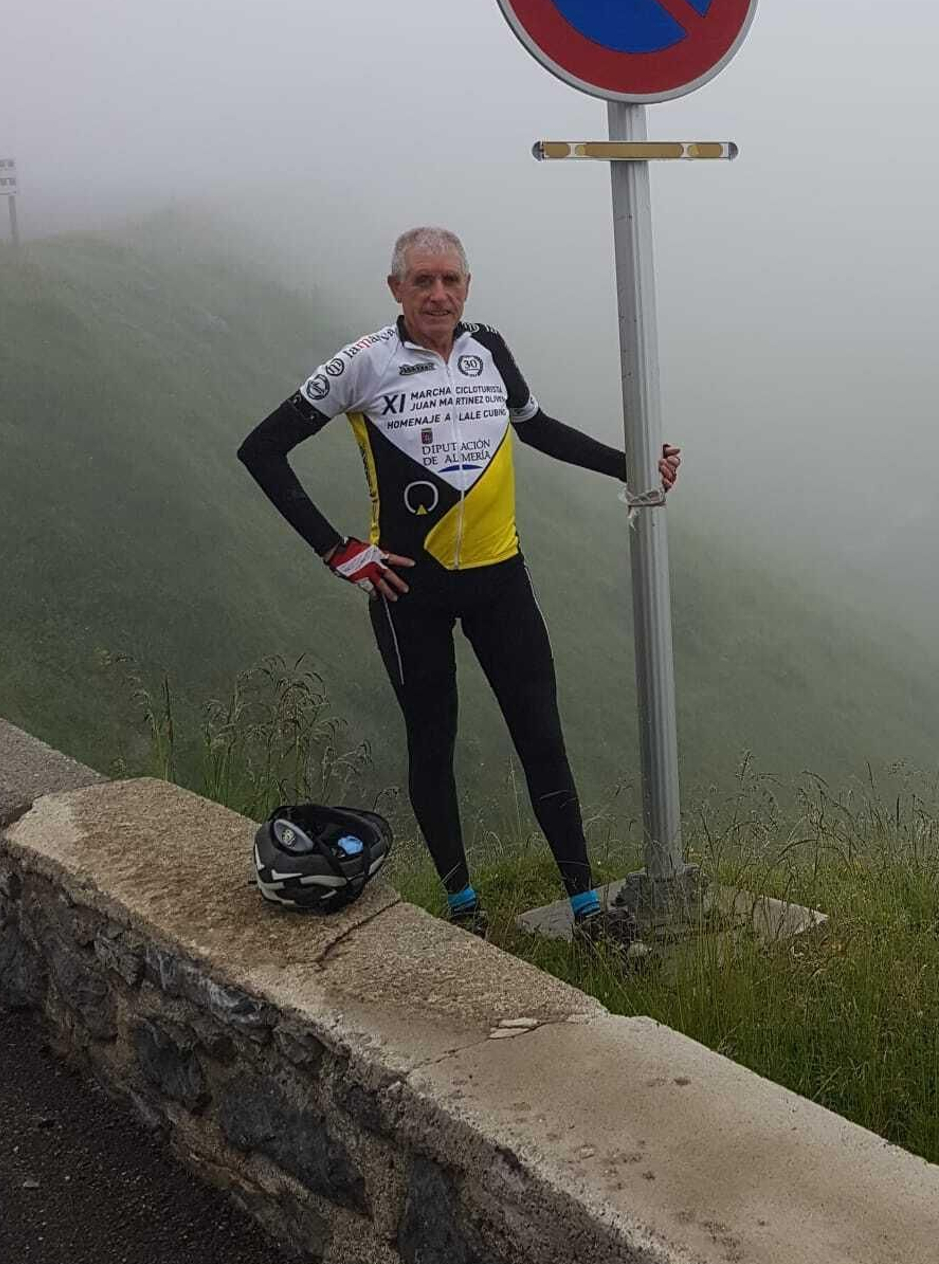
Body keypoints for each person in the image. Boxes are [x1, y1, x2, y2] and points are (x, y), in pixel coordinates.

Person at [237, 225, 679, 946]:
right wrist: (338, 549)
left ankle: (588, 909)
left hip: (501, 578)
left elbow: (537, 429)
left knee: (542, 737)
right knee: (432, 739)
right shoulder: (364, 363)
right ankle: (464, 906)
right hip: (409, 590)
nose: (438, 293)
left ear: (468, 286)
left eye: (450, 280)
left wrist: (634, 467)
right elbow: (261, 448)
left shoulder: (490, 348)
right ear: (396, 290)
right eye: (422, 281)